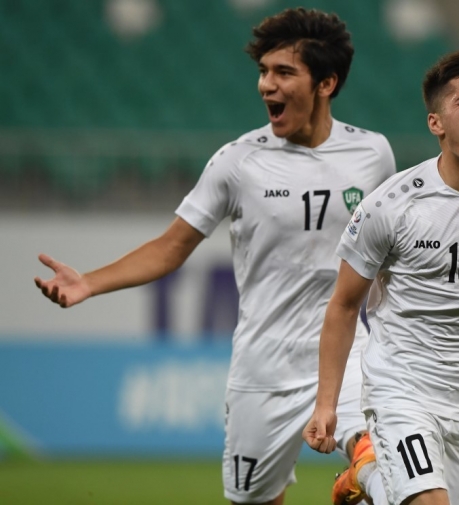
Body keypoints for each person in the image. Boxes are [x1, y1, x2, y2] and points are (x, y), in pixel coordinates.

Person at [34, 8, 394, 505]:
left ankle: (361, 479)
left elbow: (391, 252)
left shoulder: (373, 155)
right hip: (263, 369)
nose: (267, 85)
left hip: (347, 355)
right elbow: (171, 246)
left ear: (326, 83)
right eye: (263, 72)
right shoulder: (237, 162)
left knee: (380, 463)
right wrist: (89, 283)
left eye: (284, 72)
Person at [303, 49, 459, 505]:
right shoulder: (390, 206)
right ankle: (370, 469)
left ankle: (366, 479)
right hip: (400, 387)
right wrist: (327, 403)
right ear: (436, 123)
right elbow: (343, 305)